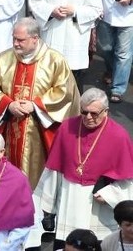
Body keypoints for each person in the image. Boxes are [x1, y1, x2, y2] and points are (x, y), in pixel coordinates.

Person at [0, 17, 81, 189]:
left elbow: (65, 92)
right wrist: (8, 104)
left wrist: (35, 105)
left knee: (38, 183)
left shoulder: (54, 60)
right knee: (7, 181)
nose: (16, 44)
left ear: (35, 38)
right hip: (10, 128)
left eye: (20, 40)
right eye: (14, 39)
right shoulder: (4, 58)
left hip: (39, 132)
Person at [27, 88, 133, 248]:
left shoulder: (119, 136)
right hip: (69, 199)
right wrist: (48, 208)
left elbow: (127, 179)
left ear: (106, 111)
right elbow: (55, 170)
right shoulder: (67, 128)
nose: (88, 117)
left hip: (98, 211)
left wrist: (109, 195)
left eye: (94, 113)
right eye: (84, 112)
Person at [29, 0, 102, 89]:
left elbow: (96, 9)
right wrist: (51, 11)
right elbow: (34, 1)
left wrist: (74, 11)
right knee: (48, 76)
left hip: (74, 37)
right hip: (51, 33)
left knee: (73, 82)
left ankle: (73, 110)